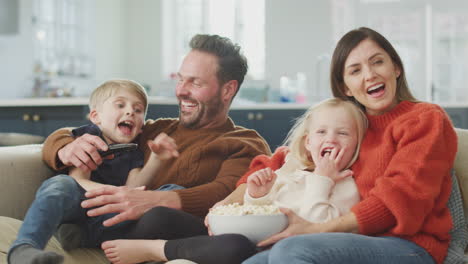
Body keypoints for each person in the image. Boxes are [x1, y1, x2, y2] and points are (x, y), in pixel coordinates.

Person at [39, 34, 270, 261]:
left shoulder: (245, 143)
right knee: (153, 217)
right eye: (180, 79)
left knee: (167, 220)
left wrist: (155, 200)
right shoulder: (152, 131)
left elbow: (226, 193)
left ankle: (148, 247)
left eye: (195, 82)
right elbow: (78, 131)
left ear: (227, 89)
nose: (181, 91)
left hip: (189, 233)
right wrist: (64, 148)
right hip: (120, 230)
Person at [239, 27, 458, 264]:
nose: (370, 75)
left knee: (291, 250)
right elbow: (285, 159)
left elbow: (400, 198)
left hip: (410, 246)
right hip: (352, 240)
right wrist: (232, 197)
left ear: (396, 68)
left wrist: (315, 230)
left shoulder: (424, 119)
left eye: (377, 62)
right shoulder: (351, 126)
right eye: (355, 70)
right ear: (345, 87)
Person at [95, 98, 368, 264]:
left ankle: (154, 251)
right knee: (159, 217)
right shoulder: (291, 169)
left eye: (342, 133)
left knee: (232, 247)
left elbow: (319, 228)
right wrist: (257, 195)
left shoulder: (346, 186)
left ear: (358, 144)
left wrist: (322, 181)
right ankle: (118, 245)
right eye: (322, 132)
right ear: (309, 142)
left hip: (256, 247)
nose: (330, 139)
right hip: (243, 231)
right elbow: (263, 210)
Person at [7, 79, 180, 264]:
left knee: (174, 191)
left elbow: (135, 186)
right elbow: (79, 181)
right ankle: (24, 248)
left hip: (111, 216)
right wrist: (118, 195)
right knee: (61, 184)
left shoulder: (134, 149)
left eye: (138, 110)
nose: (130, 111)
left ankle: (82, 235)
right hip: (82, 206)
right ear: (96, 116)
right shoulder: (88, 139)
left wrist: (156, 159)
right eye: (120, 105)